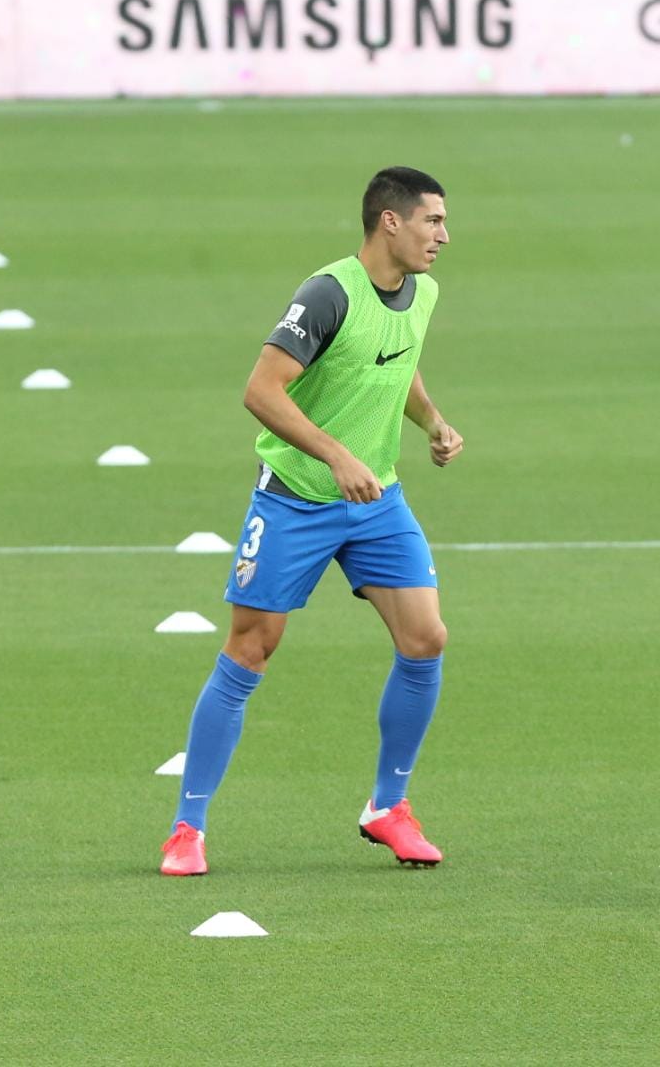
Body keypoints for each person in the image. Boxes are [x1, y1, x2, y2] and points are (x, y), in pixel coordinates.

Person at [160, 166, 462, 877]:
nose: (443, 236)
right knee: (250, 650)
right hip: (296, 497)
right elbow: (261, 391)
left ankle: (389, 807)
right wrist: (335, 457)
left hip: (377, 501)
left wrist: (434, 422)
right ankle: (187, 826)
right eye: (432, 221)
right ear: (390, 221)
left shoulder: (424, 292)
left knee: (426, 639)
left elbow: (398, 363)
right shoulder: (327, 294)